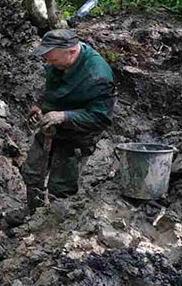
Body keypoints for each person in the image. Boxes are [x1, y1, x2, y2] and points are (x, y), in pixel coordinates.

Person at [14, 29, 114, 223]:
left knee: (61, 185)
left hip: (77, 135)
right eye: (48, 60)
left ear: (72, 51)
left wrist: (64, 116)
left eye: (53, 60)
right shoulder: (59, 62)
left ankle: (52, 225)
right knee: (32, 170)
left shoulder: (97, 75)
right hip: (51, 127)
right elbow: (50, 87)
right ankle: (32, 213)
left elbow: (101, 118)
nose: (50, 64)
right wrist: (40, 105)